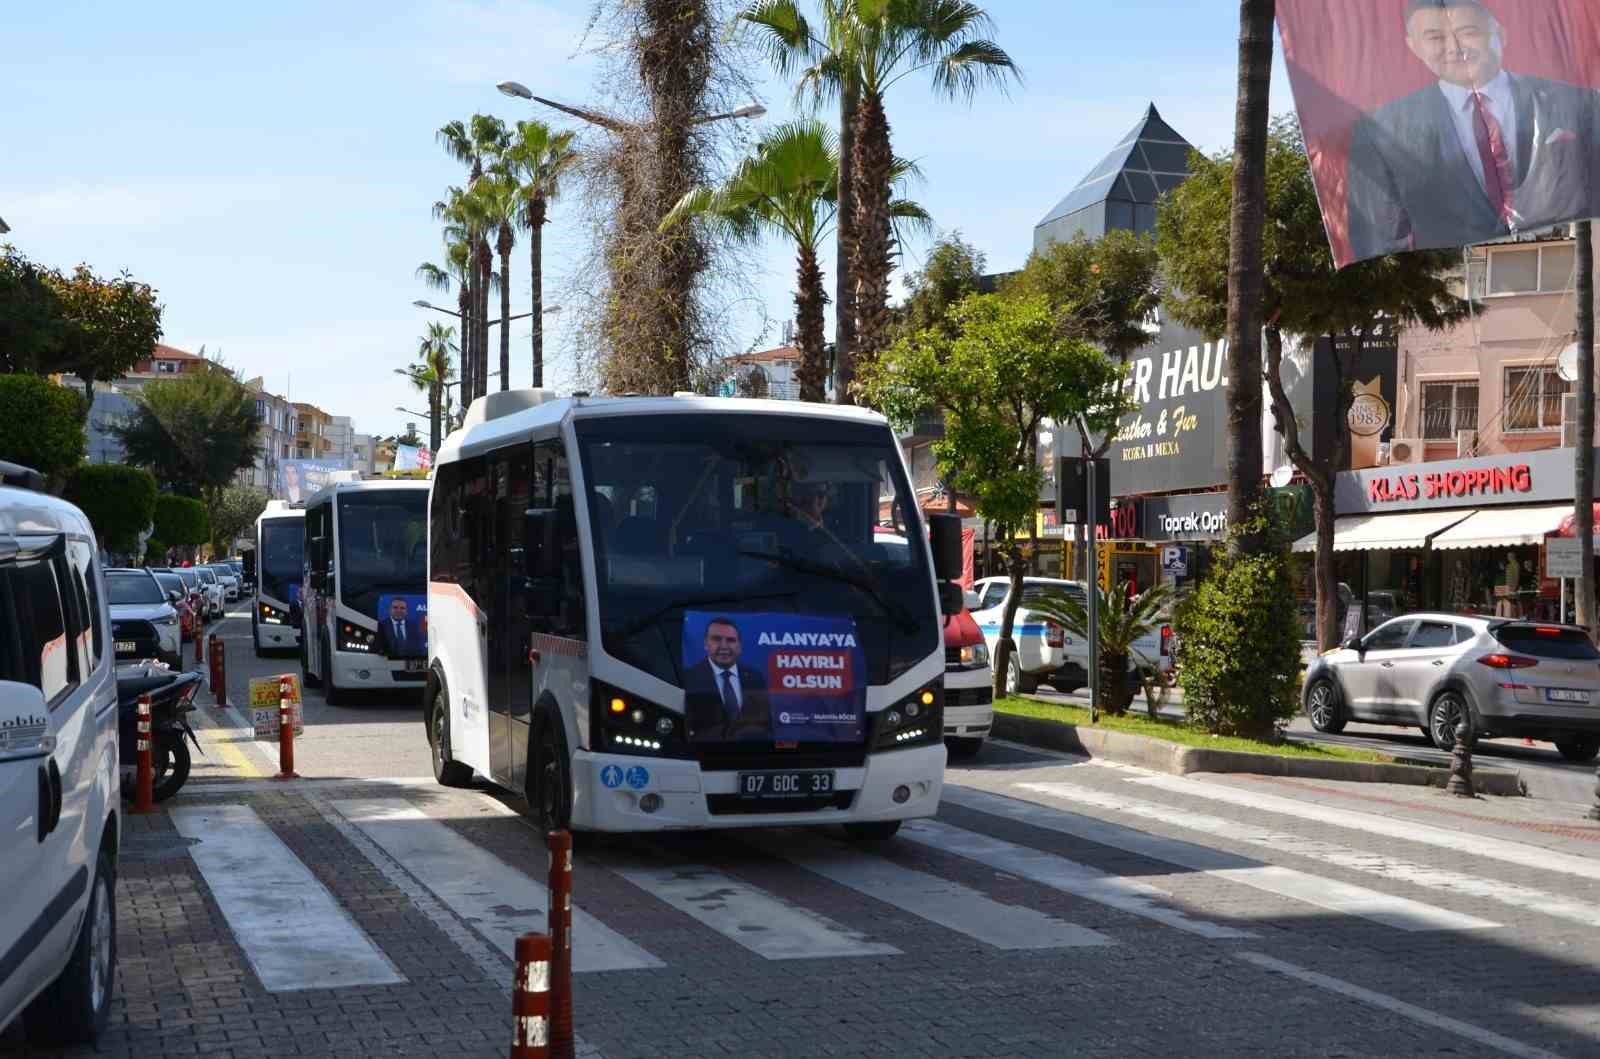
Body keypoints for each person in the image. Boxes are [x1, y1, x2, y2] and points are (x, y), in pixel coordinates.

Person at [1346, 0, 1600, 261]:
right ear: (1414, 47)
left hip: (1564, 264)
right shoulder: (1380, 132)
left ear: (1500, 34)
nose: (1454, 48)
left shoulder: (1580, 104)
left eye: (1468, 32)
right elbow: (1378, 238)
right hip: (1452, 279)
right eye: (1435, 37)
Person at [683, 617, 770, 741]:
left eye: (730, 640)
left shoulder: (755, 677)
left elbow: (765, 724)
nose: (724, 646)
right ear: (705, 644)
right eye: (716, 639)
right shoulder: (689, 677)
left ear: (739, 646)